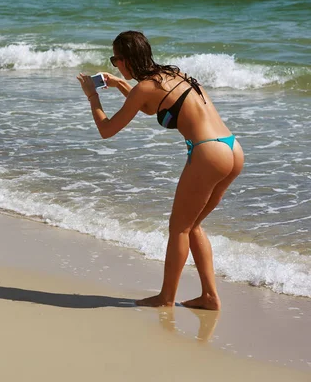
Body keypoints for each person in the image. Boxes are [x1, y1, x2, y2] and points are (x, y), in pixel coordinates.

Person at [77, 31, 244, 310]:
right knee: (193, 227)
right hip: (232, 148)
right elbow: (150, 108)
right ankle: (209, 297)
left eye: (115, 60)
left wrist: (92, 97)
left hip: (207, 152)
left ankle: (166, 298)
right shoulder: (173, 75)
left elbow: (107, 130)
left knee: (178, 229)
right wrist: (119, 83)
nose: (115, 64)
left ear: (127, 59)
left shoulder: (145, 87)